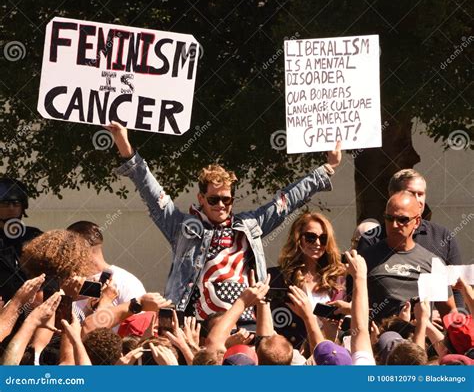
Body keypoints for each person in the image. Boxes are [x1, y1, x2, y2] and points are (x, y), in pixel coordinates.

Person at [106, 121, 342, 322]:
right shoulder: (184, 228)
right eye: (214, 199)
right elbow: (152, 193)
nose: (221, 205)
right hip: (196, 323)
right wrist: (125, 147)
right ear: (201, 198)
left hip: (245, 321)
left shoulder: (249, 225)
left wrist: (326, 170)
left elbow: (286, 202)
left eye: (226, 200)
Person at [357, 169, 464, 307]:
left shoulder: (442, 236)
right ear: (393, 196)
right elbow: (358, 294)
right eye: (411, 193)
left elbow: (456, 290)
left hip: (431, 326)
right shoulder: (371, 240)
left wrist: (450, 320)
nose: (418, 200)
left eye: (421, 194)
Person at [363, 191, 456, 321]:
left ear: (417, 221)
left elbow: (449, 313)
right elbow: (352, 305)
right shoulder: (366, 258)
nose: (394, 225)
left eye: (402, 219)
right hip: (379, 338)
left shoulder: (433, 262)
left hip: (420, 338)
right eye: (389, 218)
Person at [267, 211, 345, 349]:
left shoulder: (338, 279)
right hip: (291, 352)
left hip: (327, 350)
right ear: (298, 238)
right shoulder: (279, 277)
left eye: (323, 238)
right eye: (310, 237)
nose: (317, 243)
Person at [67, 221, 146, 314]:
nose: (66, 254)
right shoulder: (72, 286)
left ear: (80, 248)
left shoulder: (125, 282)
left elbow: (139, 324)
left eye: (68, 248)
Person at [0, 178, 42, 301]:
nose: (11, 208)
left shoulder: (35, 236)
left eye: (16, 203)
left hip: (31, 307)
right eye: (5, 204)